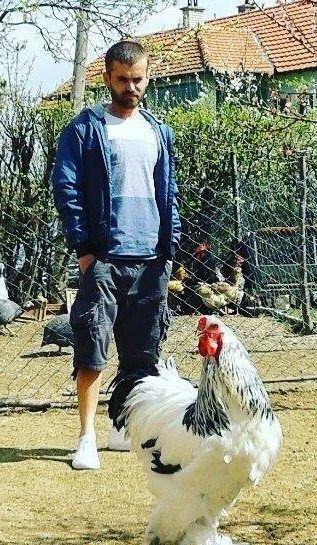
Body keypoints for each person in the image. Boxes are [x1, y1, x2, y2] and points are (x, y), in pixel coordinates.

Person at [52, 40, 181, 470]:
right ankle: (86, 438)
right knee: (91, 346)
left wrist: (170, 247)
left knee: (142, 353)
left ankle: (120, 427)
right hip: (105, 256)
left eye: (138, 79)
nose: (131, 87)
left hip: (150, 261)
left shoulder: (159, 131)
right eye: (122, 79)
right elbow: (67, 189)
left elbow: (170, 194)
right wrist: (85, 250)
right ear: (106, 78)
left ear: (148, 77)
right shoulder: (85, 129)